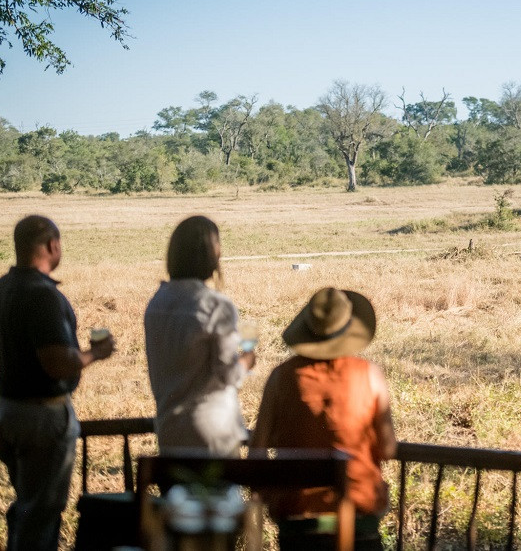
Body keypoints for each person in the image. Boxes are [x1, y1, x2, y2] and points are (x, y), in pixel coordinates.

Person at [0, 215, 116, 551]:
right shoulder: (42, 296)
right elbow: (57, 363)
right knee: (42, 514)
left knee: (26, 505)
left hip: (5, 411)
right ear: (52, 246)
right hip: (42, 418)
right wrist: (94, 354)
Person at [251, 287, 397, 551]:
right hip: (358, 518)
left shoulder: (280, 377)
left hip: (296, 519)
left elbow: (257, 452)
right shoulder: (370, 375)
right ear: (349, 330)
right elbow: (387, 449)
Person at [144, 215, 255, 456]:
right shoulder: (215, 305)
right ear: (211, 255)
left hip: (169, 432)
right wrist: (247, 361)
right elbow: (227, 375)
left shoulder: (156, 303)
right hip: (213, 432)